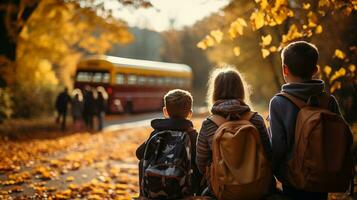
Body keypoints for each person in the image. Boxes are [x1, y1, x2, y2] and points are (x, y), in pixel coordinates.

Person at [269, 41, 352, 200]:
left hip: (294, 179)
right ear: (315, 70)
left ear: (285, 69)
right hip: (324, 175)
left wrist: (270, 170)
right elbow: (342, 136)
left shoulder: (279, 103)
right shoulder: (329, 101)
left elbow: (278, 147)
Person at [196, 67, 273, 199]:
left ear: (215, 92)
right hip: (258, 187)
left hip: (223, 190)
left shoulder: (209, 124)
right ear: (241, 90)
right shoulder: (255, 119)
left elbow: (201, 162)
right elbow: (269, 155)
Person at [136, 89, 202, 199]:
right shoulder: (193, 136)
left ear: (165, 111)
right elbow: (200, 162)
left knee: (142, 161)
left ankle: (143, 195)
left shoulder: (156, 133)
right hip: (183, 191)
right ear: (190, 114)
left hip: (155, 187)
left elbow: (139, 153)